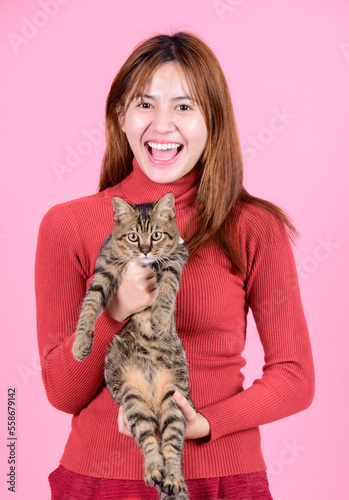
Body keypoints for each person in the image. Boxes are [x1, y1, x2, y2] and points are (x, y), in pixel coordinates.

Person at [35, 31, 315, 500]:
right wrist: (115, 308)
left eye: (184, 107)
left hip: (225, 480)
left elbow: (295, 376)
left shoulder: (252, 226)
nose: (162, 126)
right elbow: (62, 393)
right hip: (103, 482)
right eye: (145, 104)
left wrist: (206, 425)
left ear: (212, 120)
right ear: (120, 116)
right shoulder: (68, 225)